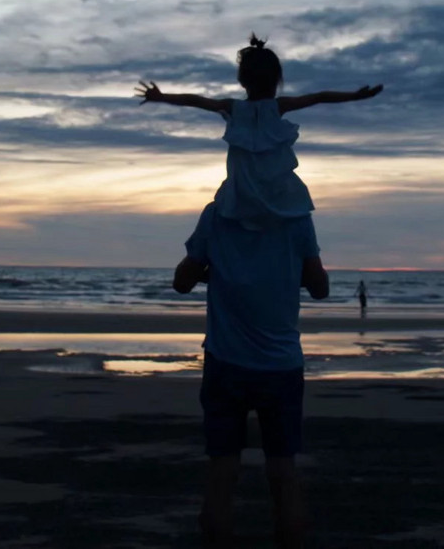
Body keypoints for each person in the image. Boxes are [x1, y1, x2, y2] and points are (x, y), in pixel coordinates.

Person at [174, 201, 329, 548]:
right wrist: (290, 270)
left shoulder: (217, 214)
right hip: (281, 366)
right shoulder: (296, 217)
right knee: (283, 473)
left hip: (226, 363)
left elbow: (181, 282)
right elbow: (320, 287)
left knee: (221, 474)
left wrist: (214, 271)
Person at [136, 34, 382, 232]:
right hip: (278, 195)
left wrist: (161, 97)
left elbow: (195, 100)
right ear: (276, 79)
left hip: (241, 194)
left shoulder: (235, 108)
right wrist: (355, 96)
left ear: (242, 80)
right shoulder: (276, 107)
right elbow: (320, 97)